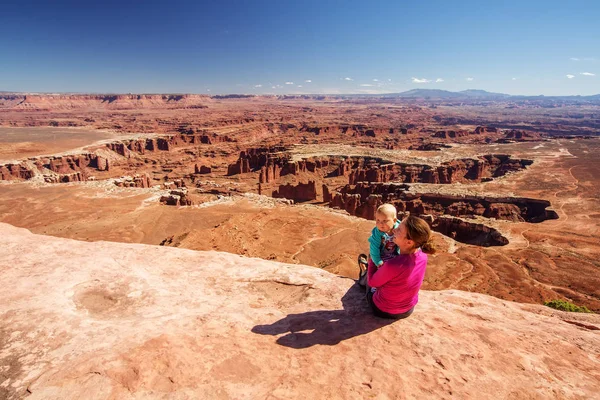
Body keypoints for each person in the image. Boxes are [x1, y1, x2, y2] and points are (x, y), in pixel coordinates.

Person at [366, 215, 436, 319]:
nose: (394, 230)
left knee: (368, 281)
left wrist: (372, 259)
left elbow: (372, 282)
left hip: (383, 309)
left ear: (409, 242)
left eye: (399, 230)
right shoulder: (423, 256)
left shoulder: (393, 265)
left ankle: (364, 272)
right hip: (408, 309)